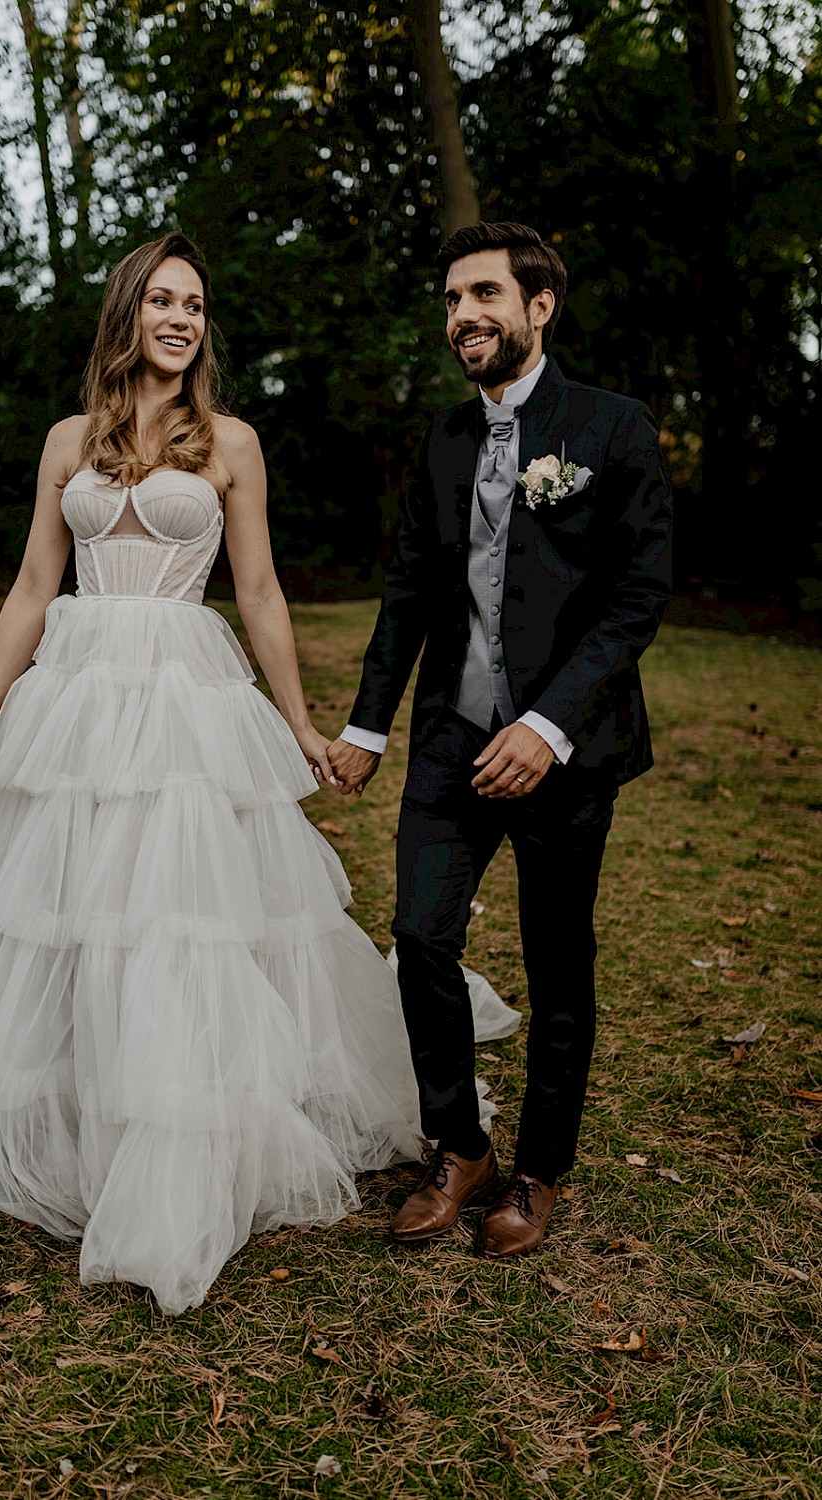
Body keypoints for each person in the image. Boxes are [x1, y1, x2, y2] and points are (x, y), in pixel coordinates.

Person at [0, 232, 520, 1314]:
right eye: (162, 303)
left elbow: (263, 591)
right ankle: (92, 1095)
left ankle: (177, 1103)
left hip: (185, 689)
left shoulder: (230, 439)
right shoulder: (68, 440)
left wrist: (299, 727)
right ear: (128, 316)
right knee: (83, 902)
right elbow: (33, 586)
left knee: (179, 911)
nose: (182, 320)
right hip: (80, 692)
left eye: (194, 305)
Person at [328, 221, 672, 1257]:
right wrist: (367, 725)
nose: (461, 316)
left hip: (567, 751)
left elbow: (636, 598)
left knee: (558, 959)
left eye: (481, 294)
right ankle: (458, 1144)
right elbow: (407, 595)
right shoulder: (440, 438)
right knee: (421, 939)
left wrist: (546, 724)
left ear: (538, 306)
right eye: (449, 300)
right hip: (447, 736)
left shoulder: (612, 428)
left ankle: (538, 1173)